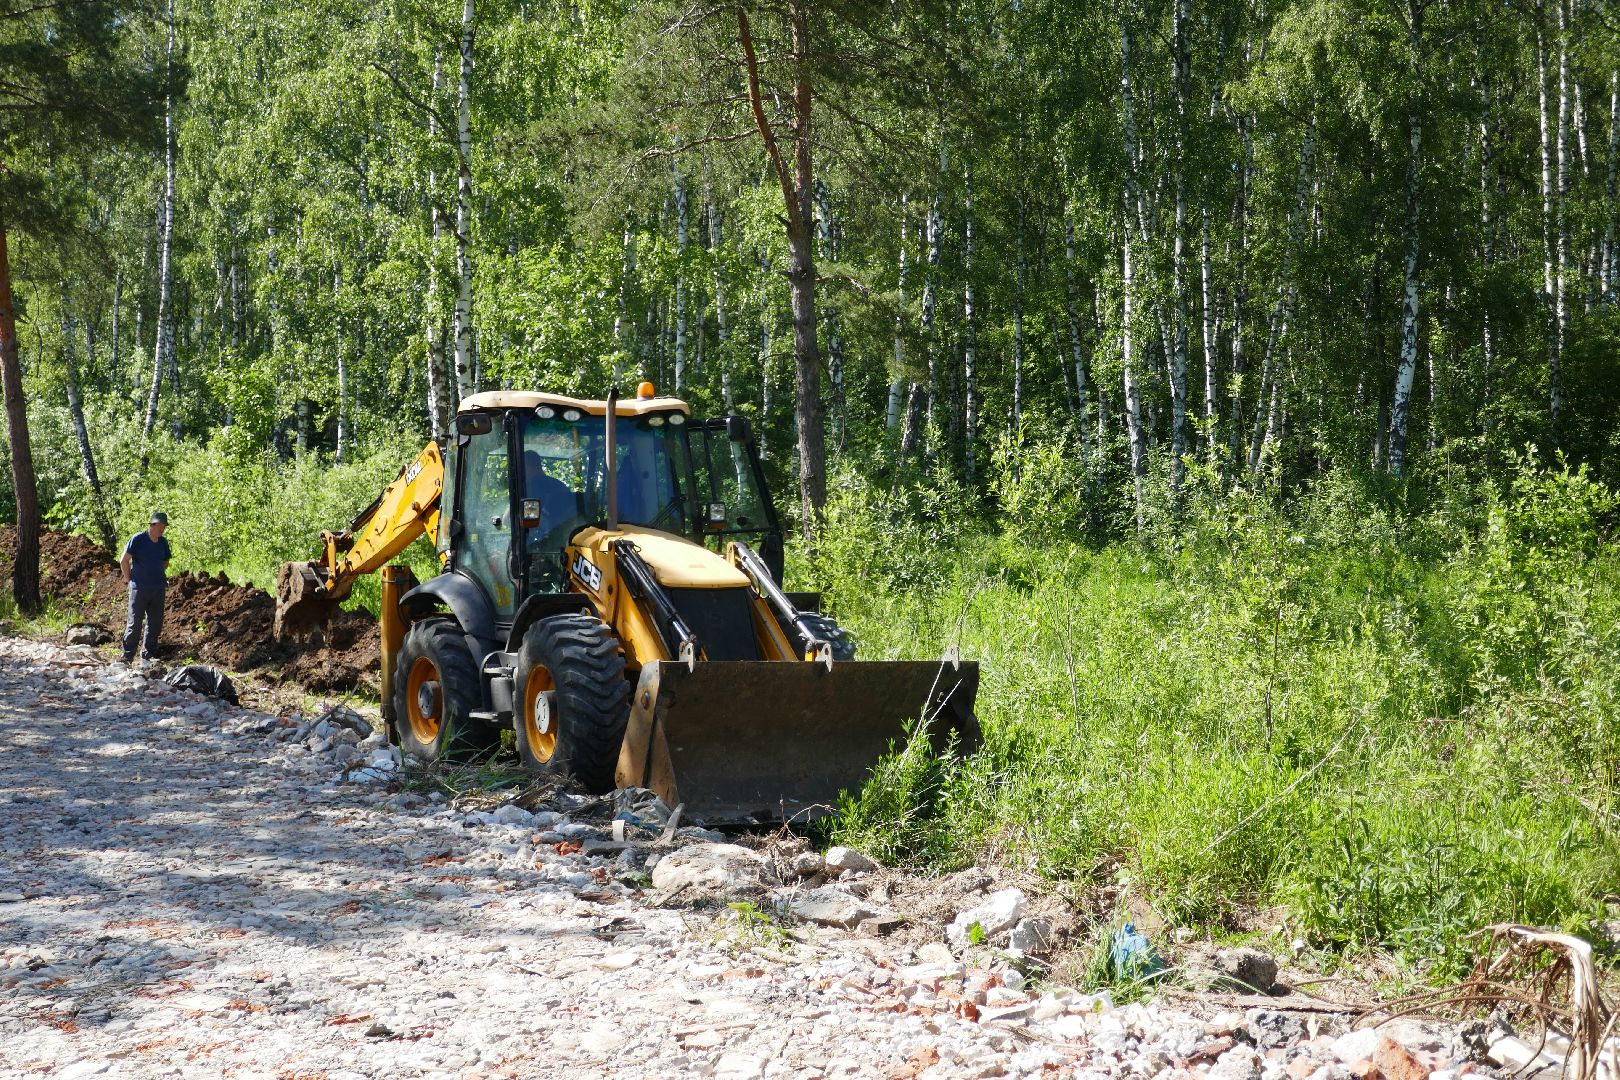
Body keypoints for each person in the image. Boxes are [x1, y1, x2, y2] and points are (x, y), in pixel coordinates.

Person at [121, 512, 171, 664]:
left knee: (155, 623)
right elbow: (124, 560)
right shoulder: (138, 539)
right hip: (139, 588)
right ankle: (127, 656)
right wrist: (129, 579)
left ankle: (148, 655)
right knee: (135, 622)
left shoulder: (163, 542)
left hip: (158, 588)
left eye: (164, 526)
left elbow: (165, 561)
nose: (162, 529)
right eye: (160, 526)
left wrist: (156, 573)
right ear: (152, 525)